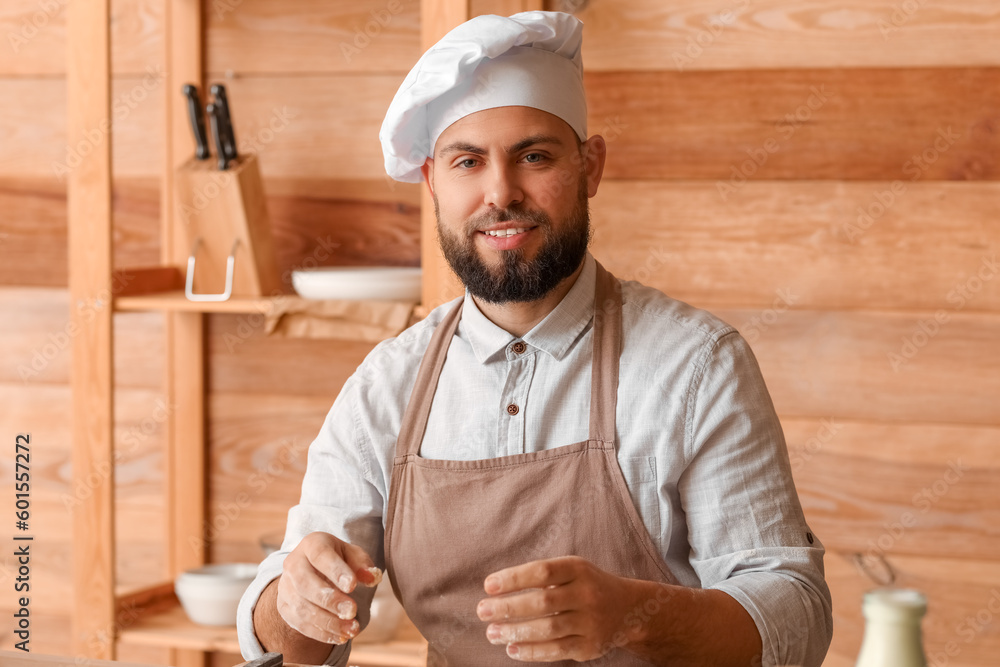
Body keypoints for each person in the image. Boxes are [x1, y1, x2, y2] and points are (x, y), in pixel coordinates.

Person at [238, 10, 833, 667]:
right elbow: (295, 637)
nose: (501, 192)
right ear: (434, 181)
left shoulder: (696, 365)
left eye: (534, 156)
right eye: (468, 161)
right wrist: (293, 597)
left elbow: (795, 614)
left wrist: (636, 614)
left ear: (590, 166)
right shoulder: (388, 386)